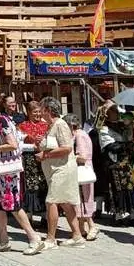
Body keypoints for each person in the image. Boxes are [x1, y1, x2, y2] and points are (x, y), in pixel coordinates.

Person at [0, 93, 46, 255]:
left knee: (13, 204)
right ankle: (3, 240)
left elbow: (12, 144)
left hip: (8, 172)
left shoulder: (2, 121)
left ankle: (34, 238)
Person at [38, 100, 85, 249]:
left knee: (51, 201)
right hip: (55, 170)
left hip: (62, 170)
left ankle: (51, 239)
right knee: (65, 202)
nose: (39, 112)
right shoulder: (52, 126)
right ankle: (77, 235)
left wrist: (45, 155)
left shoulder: (60, 124)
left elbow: (67, 148)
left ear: (47, 110)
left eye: (41, 109)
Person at [18, 100, 50, 229]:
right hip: (29, 159)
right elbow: (18, 144)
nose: (37, 114)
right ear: (29, 113)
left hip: (44, 158)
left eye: (39, 111)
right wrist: (31, 142)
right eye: (34, 112)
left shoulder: (46, 125)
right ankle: (29, 216)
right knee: (30, 186)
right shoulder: (22, 126)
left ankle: (45, 217)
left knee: (45, 185)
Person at [69, 114, 98, 241]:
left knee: (83, 199)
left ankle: (92, 226)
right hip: (83, 169)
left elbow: (82, 156)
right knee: (81, 200)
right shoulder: (80, 134)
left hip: (82, 170)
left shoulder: (79, 135)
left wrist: (69, 156)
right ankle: (81, 228)